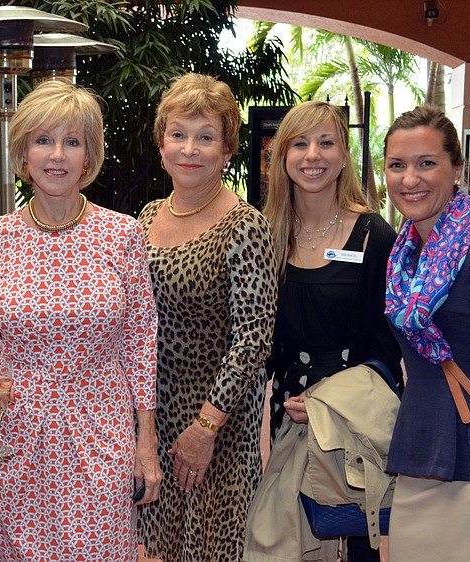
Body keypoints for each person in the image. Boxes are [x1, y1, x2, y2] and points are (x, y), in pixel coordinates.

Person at [0, 79, 161, 561]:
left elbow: (141, 342)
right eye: (43, 140)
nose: (57, 155)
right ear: (24, 154)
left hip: (99, 430)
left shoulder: (123, 234)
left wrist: (146, 442)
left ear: (88, 157)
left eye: (71, 142)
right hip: (13, 432)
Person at [135, 73, 278, 561]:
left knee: (213, 549)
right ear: (162, 144)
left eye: (205, 137)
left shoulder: (245, 225)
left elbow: (254, 338)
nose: (190, 148)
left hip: (217, 428)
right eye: (178, 134)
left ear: (227, 150)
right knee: (159, 549)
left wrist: (206, 428)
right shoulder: (147, 217)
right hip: (155, 419)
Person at [261, 100, 402, 561]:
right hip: (288, 415)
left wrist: (328, 402)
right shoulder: (269, 234)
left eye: (326, 142)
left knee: (358, 533)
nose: (313, 155)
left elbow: (386, 343)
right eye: (300, 143)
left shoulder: (374, 235)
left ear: (344, 155)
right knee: (289, 539)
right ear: (282, 156)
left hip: (353, 418)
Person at [383, 106, 470, 561]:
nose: (410, 179)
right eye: (397, 165)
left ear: (456, 169)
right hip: (422, 453)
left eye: (427, 163)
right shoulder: (401, 258)